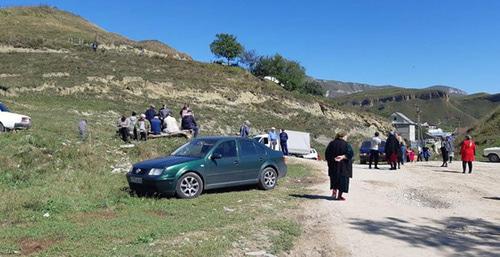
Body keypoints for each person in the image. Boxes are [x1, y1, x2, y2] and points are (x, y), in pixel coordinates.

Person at [325, 132, 353, 201]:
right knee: (343, 180)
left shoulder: (331, 143)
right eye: (346, 137)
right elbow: (350, 153)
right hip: (344, 166)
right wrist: (343, 156)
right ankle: (339, 196)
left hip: (334, 165)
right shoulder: (347, 144)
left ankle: (334, 193)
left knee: (334, 178)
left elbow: (327, 154)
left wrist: (333, 159)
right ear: (343, 137)